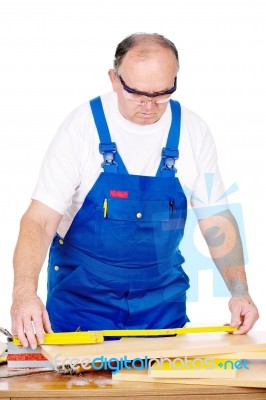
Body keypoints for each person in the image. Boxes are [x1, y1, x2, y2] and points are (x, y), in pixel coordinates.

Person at [11, 33, 259, 349]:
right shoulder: (81, 128)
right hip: (81, 314)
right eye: (136, 94)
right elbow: (39, 220)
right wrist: (23, 293)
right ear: (114, 80)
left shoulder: (194, 132)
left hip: (162, 314)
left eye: (162, 94)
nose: (149, 105)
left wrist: (240, 292)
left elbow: (216, 220)